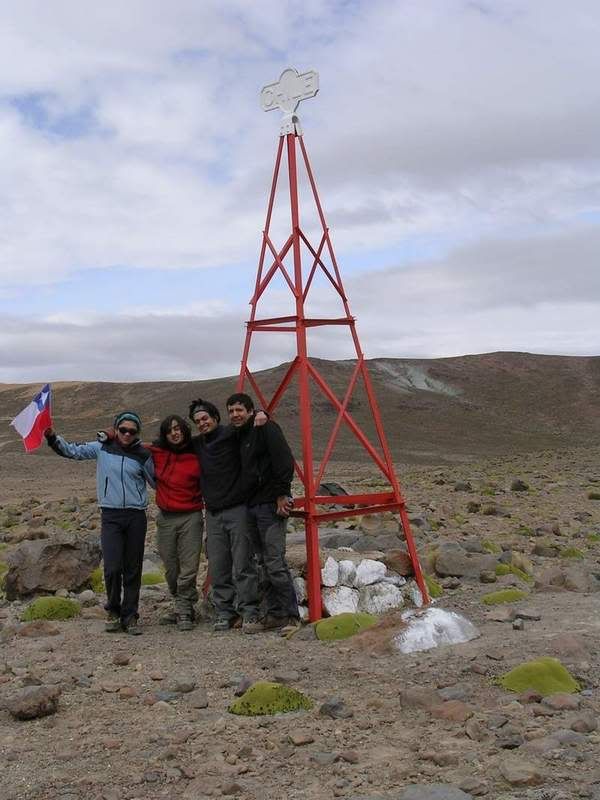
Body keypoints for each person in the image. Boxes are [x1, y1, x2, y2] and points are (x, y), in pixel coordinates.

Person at [45, 411, 155, 635]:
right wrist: (52, 438)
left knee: (133, 568)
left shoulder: (143, 454)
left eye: (132, 431)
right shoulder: (101, 447)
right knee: (113, 567)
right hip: (111, 515)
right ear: (116, 429)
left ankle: (130, 615)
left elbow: (157, 481)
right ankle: (113, 610)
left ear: (137, 434)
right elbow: (73, 451)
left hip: (136, 516)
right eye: (123, 429)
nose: (127, 434)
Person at [227, 393, 300, 630]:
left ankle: (292, 616)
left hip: (270, 505)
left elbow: (284, 461)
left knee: (274, 561)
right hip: (251, 506)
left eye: (239, 410)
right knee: (262, 563)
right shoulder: (241, 435)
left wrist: (281, 494)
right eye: (231, 411)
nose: (235, 415)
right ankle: (273, 614)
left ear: (250, 411)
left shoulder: (266, 428)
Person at [189, 398, 261, 633]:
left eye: (205, 418)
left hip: (238, 509)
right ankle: (224, 612)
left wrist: (263, 414)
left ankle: (249, 611)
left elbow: (251, 422)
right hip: (213, 512)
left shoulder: (232, 433)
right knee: (218, 564)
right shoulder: (198, 443)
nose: (202, 423)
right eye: (197, 421)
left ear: (215, 418)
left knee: (242, 563)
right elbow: (169, 442)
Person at [149, 415, 203, 632]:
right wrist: (111, 435)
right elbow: (130, 443)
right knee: (171, 567)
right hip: (166, 517)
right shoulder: (157, 452)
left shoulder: (197, 453)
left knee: (189, 567)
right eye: (170, 430)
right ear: (165, 433)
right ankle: (181, 602)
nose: (175, 433)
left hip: (191, 516)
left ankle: (184, 609)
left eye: (178, 429)